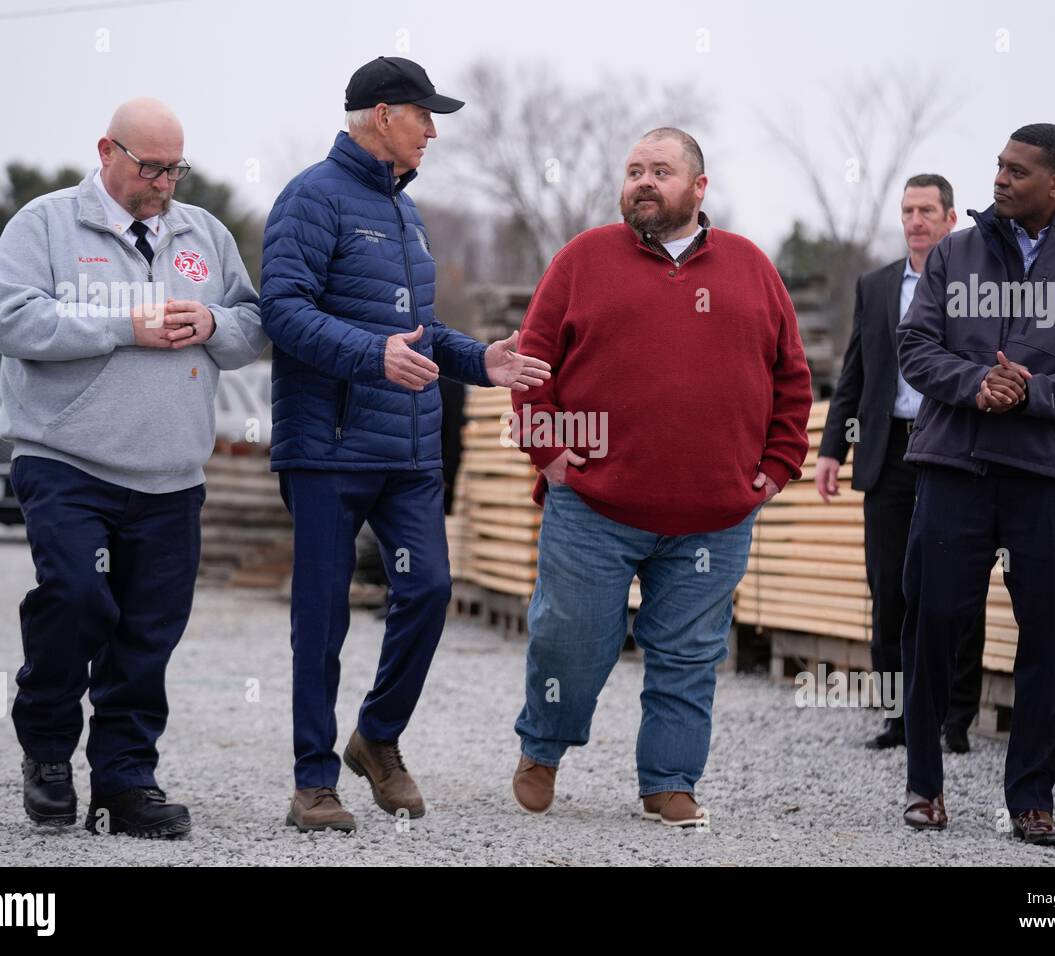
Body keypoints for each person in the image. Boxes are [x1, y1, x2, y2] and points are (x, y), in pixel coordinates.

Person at [260, 56, 550, 833]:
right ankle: (314, 782)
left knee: (425, 593)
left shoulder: (406, 211)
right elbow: (281, 313)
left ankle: (377, 738)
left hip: (409, 452)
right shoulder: (309, 199)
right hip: (327, 447)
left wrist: (479, 360)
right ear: (382, 115)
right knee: (321, 618)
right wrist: (370, 354)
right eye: (425, 116)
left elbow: (418, 333)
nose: (432, 131)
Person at [509, 128, 813, 827]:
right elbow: (532, 364)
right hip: (594, 505)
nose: (644, 181)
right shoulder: (582, 259)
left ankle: (668, 782)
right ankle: (544, 747)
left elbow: (792, 380)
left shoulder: (751, 267)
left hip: (715, 516)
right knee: (571, 640)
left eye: (661, 171)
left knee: (690, 656)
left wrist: (773, 471)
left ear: (699, 187)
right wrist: (549, 454)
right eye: (635, 171)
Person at [0, 97, 267, 838]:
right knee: (77, 598)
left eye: (176, 168)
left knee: (149, 633)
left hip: (171, 476)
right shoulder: (43, 225)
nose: (165, 183)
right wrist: (125, 325)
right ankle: (48, 750)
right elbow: (13, 321)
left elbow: (251, 324)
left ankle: (125, 779)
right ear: (106, 151)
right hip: (66, 460)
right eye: (151, 167)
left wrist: (211, 321)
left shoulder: (204, 235)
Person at [895, 124, 1055, 845]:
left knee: (1049, 637)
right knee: (934, 621)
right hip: (955, 466)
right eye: (999, 166)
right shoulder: (956, 251)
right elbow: (916, 344)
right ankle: (924, 785)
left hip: (1050, 476)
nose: (1000, 178)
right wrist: (976, 384)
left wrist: (1033, 393)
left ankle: (1031, 799)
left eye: (1017, 170)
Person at [818, 174, 986, 754]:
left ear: (949, 219)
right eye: (908, 210)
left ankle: (955, 719)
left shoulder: (976, 284)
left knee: (955, 588)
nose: (915, 221)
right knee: (888, 590)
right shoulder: (877, 285)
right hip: (888, 451)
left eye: (926, 211)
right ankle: (898, 717)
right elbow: (854, 376)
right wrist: (832, 450)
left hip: (953, 449)